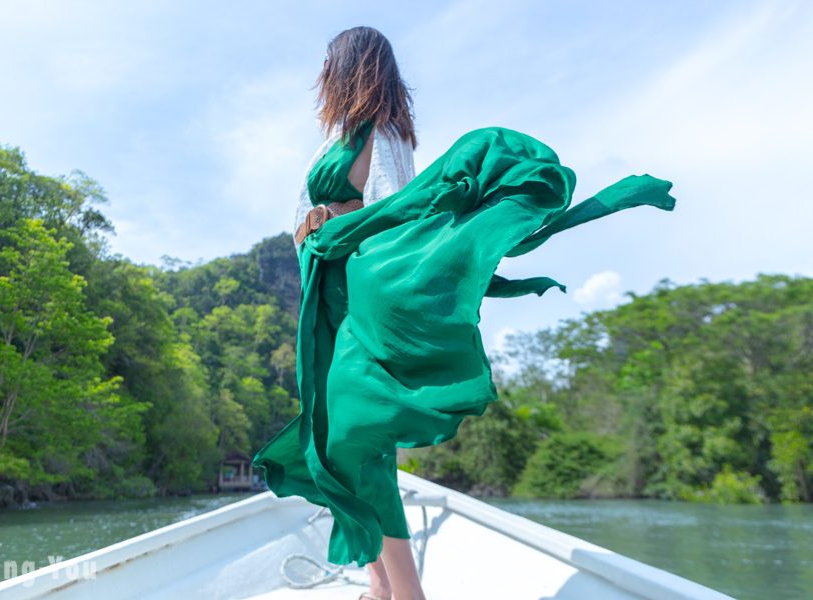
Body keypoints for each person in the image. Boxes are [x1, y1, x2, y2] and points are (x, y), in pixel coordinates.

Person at [252, 26, 676, 600]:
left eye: (331, 64)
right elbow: (304, 212)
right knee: (336, 444)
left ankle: (404, 595)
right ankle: (381, 589)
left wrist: (338, 219)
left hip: (364, 305)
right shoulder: (338, 136)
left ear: (348, 68)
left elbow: (402, 215)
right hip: (328, 300)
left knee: (356, 445)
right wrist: (320, 219)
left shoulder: (383, 134)